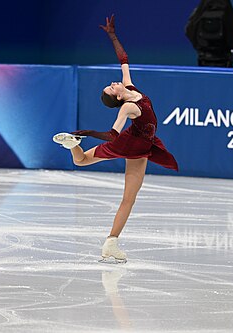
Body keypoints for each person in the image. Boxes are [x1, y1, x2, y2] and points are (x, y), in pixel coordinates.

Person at [53, 15, 178, 263]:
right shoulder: (128, 108)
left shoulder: (131, 89)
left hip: (143, 146)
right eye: (111, 89)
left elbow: (123, 58)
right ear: (117, 98)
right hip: (132, 144)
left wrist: (112, 34)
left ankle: (111, 243)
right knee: (127, 198)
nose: (112, 83)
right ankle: (111, 242)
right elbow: (112, 134)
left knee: (85, 164)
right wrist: (87, 133)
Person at [185, 0, 233, 67]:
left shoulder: (200, 11)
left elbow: (189, 30)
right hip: (224, 57)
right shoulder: (228, 12)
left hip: (204, 57)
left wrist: (200, 48)